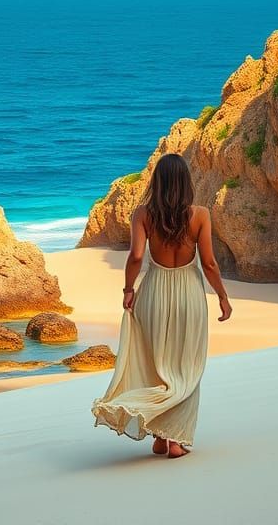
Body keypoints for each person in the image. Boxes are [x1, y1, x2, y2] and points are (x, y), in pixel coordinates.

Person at [91, 153, 232, 459]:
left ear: (156, 182)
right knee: (185, 367)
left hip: (153, 292)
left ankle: (158, 436)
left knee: (157, 364)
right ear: (185, 183)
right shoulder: (200, 215)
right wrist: (222, 295)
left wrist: (128, 290)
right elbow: (208, 263)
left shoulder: (143, 215)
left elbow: (137, 257)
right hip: (189, 295)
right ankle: (176, 441)